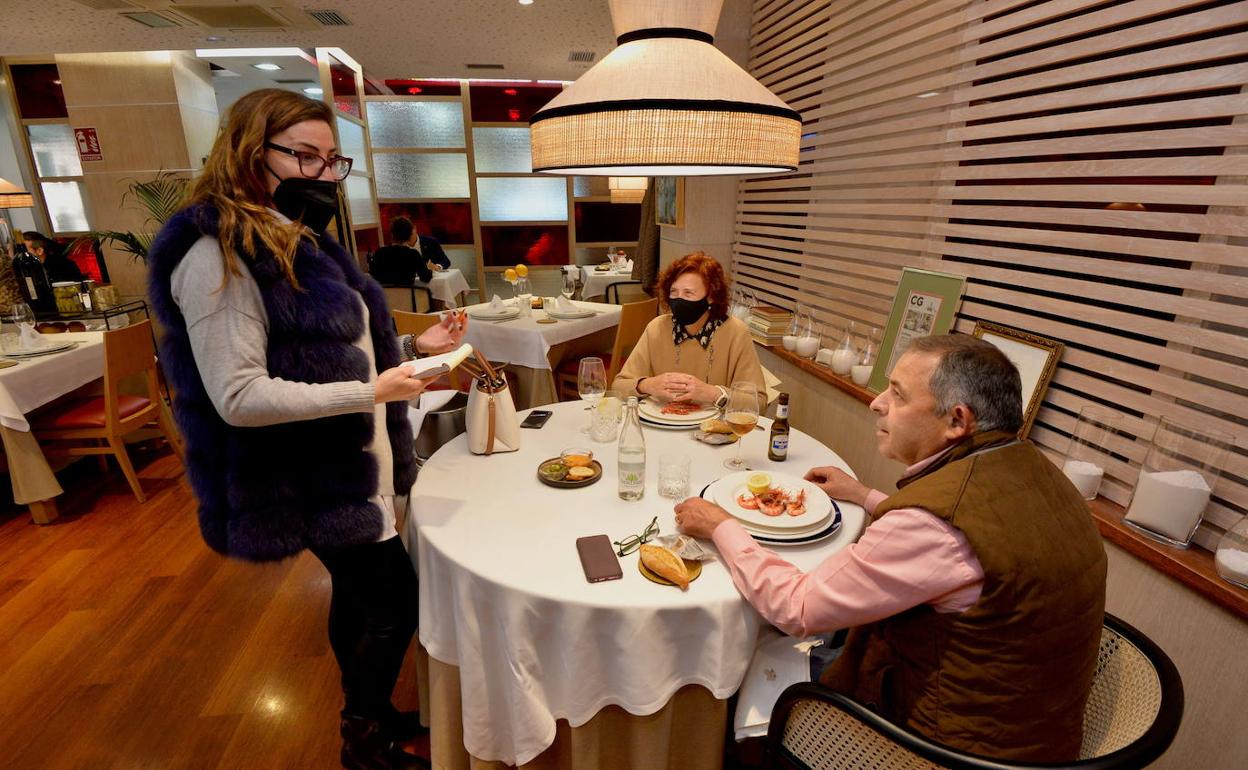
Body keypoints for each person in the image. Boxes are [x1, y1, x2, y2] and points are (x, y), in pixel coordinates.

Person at [147, 89, 465, 770]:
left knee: (361, 597)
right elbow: (238, 395)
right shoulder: (219, 254)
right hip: (308, 476)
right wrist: (372, 389)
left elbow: (326, 354)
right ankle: (364, 741)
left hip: (348, 463)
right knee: (392, 603)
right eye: (305, 157)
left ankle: (371, 716)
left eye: (332, 161)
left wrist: (415, 351)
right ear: (250, 152)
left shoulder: (294, 238)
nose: (322, 176)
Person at [674, 334, 1107, 762]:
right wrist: (865, 495)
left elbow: (797, 608)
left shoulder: (933, 523)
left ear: (958, 421)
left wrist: (723, 525)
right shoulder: (1030, 469)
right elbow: (956, 546)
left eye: (897, 396)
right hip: (1032, 721)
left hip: (946, 748)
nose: (876, 403)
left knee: (755, 654)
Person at [611, 252, 766, 407]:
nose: (679, 300)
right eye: (674, 292)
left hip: (713, 428)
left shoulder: (735, 333)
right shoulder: (657, 328)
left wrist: (713, 393)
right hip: (662, 423)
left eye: (688, 293)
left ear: (711, 296)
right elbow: (619, 386)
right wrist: (647, 385)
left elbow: (758, 402)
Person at [369, 216, 450, 286]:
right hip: (408, 298)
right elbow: (426, 278)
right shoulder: (413, 254)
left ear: (392, 234)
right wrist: (428, 269)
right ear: (410, 234)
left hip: (385, 298)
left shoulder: (379, 253)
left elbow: (373, 274)